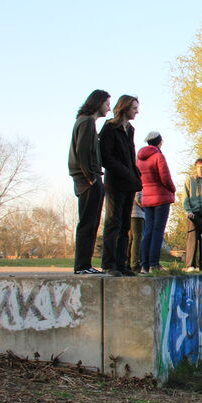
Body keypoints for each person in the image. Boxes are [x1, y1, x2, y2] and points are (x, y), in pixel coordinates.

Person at [99, 95, 142, 277]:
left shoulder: (130, 129)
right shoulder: (110, 127)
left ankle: (122, 263)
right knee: (113, 221)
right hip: (115, 182)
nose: (136, 111)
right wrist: (124, 172)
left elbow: (131, 155)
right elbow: (106, 157)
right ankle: (109, 264)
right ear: (124, 108)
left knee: (125, 224)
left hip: (129, 183)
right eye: (134, 108)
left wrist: (135, 176)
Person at [68, 89, 110, 275]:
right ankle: (82, 265)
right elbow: (83, 151)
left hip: (89, 178)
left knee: (92, 222)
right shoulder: (86, 122)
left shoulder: (87, 122)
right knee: (88, 223)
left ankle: (85, 264)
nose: (109, 108)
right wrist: (91, 177)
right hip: (88, 180)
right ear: (98, 103)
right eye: (107, 104)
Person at [136, 131, 176, 272]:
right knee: (158, 231)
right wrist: (173, 189)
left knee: (147, 231)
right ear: (160, 142)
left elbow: (139, 177)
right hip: (161, 197)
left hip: (147, 198)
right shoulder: (158, 156)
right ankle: (154, 264)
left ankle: (144, 265)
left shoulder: (140, 158)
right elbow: (165, 177)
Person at [128, 192, 144, 272]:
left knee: (130, 239)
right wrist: (148, 207)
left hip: (130, 213)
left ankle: (127, 262)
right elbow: (139, 199)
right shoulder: (139, 184)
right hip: (138, 214)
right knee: (137, 239)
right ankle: (134, 263)